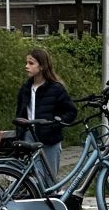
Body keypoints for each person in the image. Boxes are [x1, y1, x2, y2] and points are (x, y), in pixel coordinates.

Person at [15, 46, 76, 184]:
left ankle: (50, 197)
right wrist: (20, 132)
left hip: (50, 139)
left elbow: (71, 112)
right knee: (35, 179)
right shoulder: (25, 88)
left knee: (50, 180)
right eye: (26, 63)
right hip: (30, 138)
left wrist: (55, 124)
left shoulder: (56, 88)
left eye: (31, 63)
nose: (26, 66)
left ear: (42, 66)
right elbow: (20, 112)